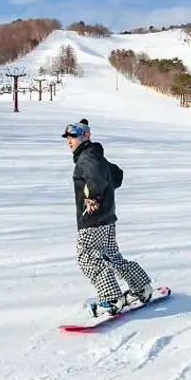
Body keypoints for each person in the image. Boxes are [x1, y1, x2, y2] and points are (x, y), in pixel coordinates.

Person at [62, 121, 152, 316]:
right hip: (107, 217)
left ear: (86, 136)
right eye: (68, 138)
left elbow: (98, 180)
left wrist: (92, 196)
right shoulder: (96, 156)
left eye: (74, 137)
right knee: (110, 256)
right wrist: (104, 194)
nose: (70, 141)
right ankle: (141, 287)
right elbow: (116, 175)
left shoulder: (86, 158)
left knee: (87, 257)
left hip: (92, 219)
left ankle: (111, 298)